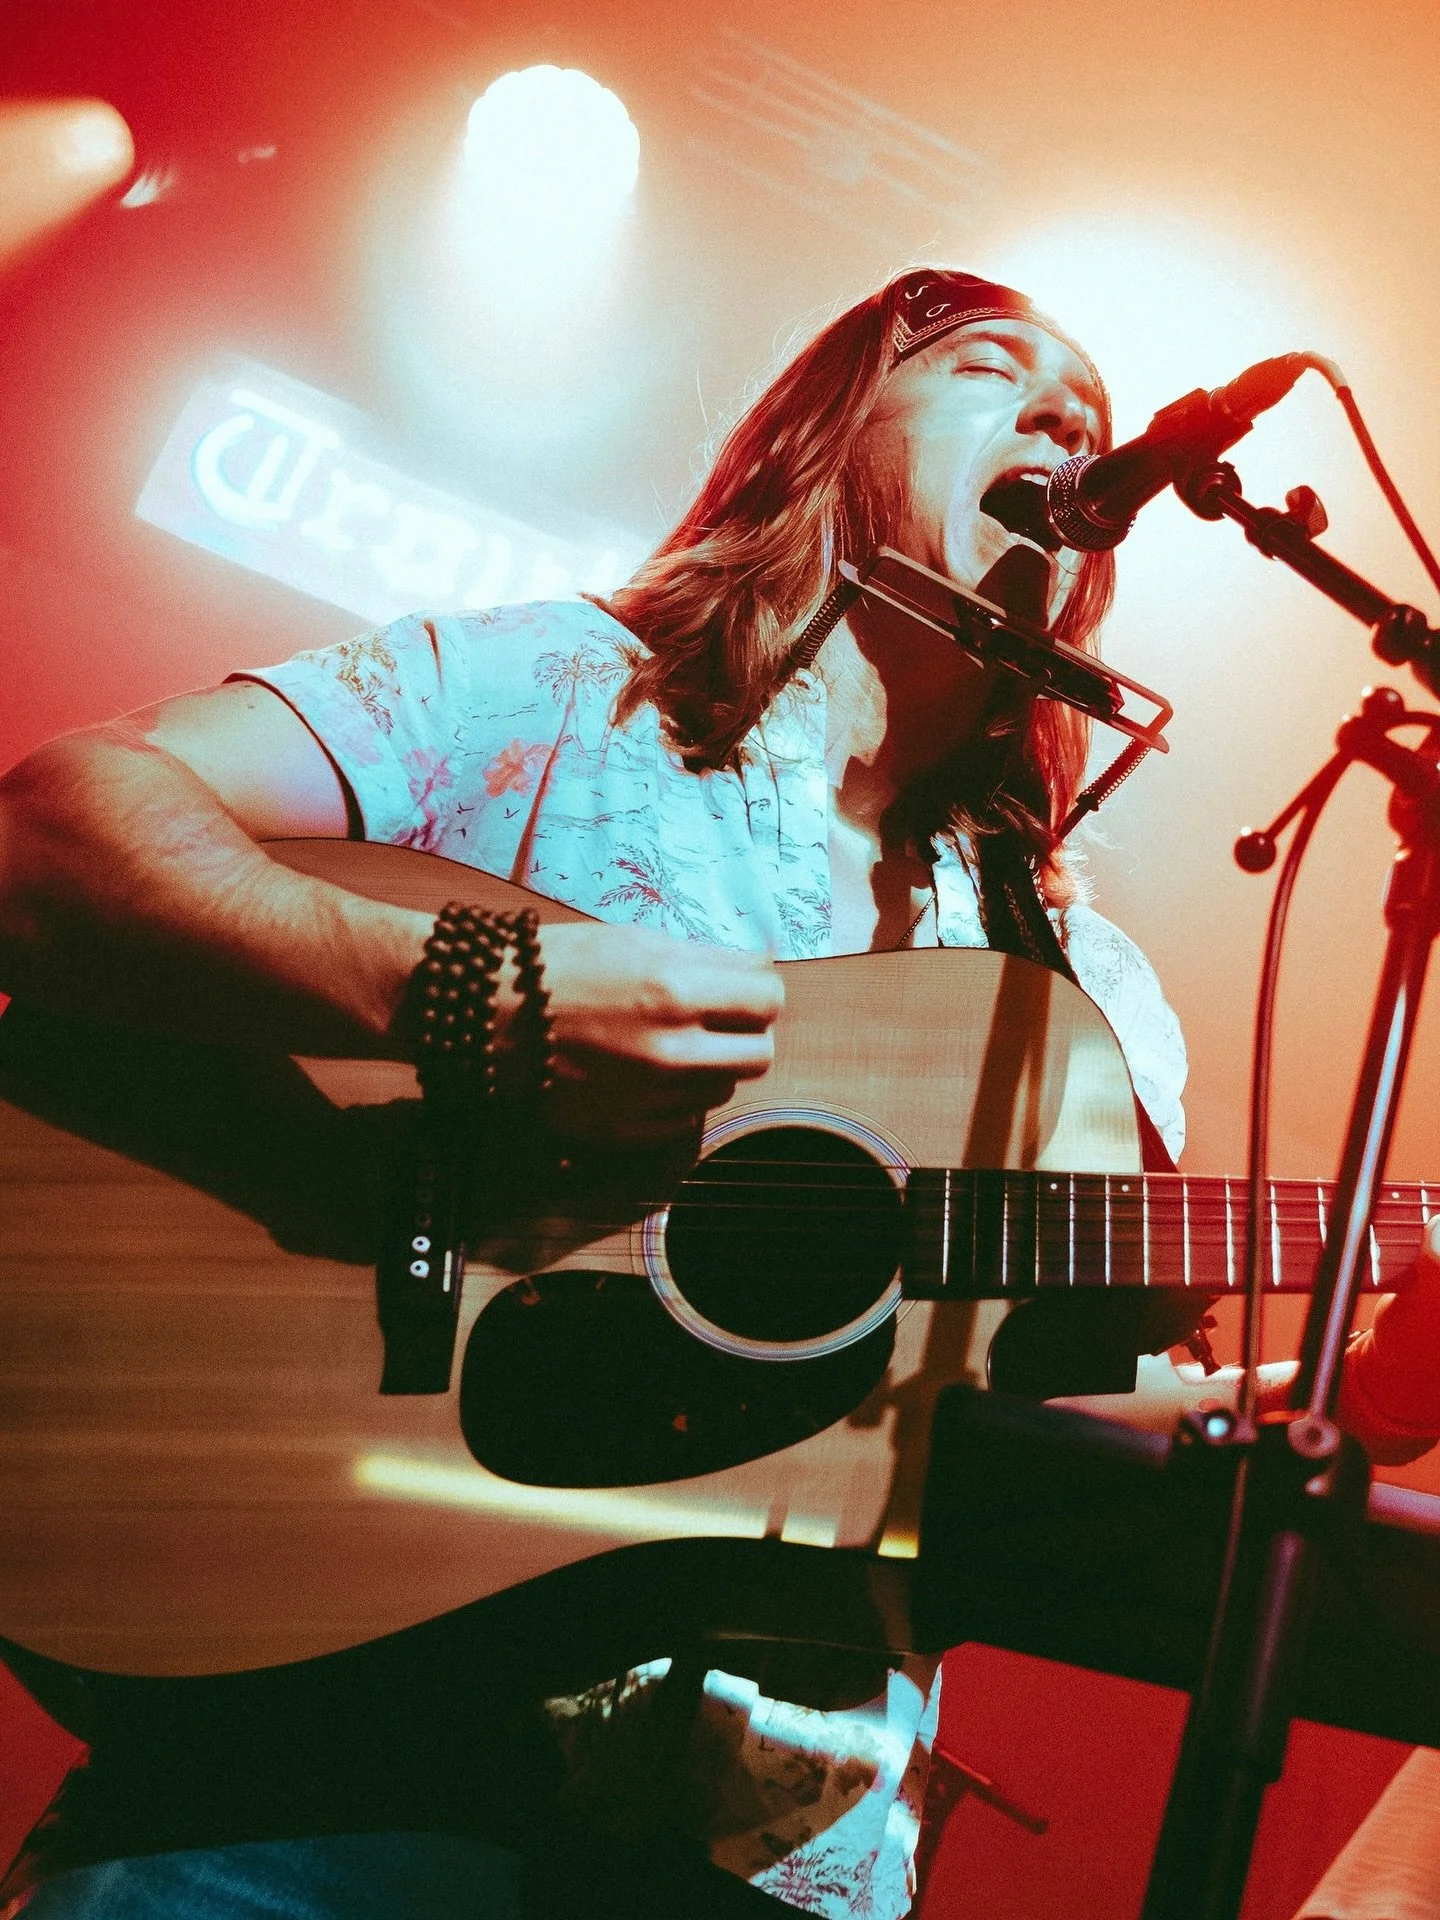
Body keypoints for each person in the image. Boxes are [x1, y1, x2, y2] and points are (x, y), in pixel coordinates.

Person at [0, 267, 1434, 1920]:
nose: (1067, 416)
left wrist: (1380, 1397)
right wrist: (465, 990)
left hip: (771, 1862)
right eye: (994, 369)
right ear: (828, 433)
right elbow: (55, 830)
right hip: (310, 1759)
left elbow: (1026, 1443)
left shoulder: (1086, 999)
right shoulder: (547, 696)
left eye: (1091, 413)